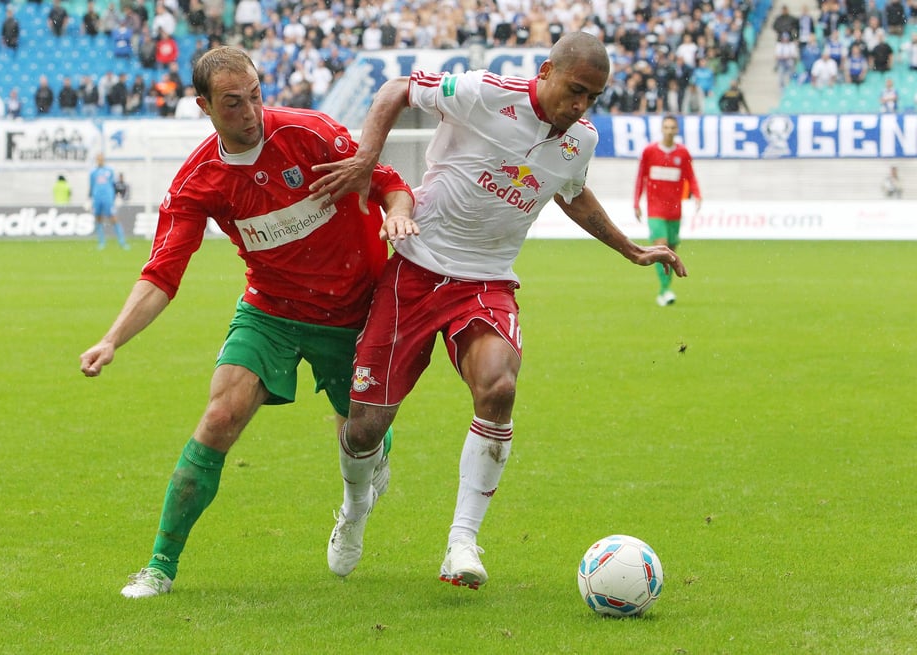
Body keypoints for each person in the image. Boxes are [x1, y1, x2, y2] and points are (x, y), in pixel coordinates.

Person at [307, 32, 686, 590]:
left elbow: (572, 193)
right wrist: (366, 161)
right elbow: (394, 89)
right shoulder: (485, 92)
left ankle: (462, 541)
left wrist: (631, 248)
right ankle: (355, 508)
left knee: (499, 388)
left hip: (485, 283)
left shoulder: (579, 139)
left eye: (593, 98)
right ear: (546, 71)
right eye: (575, 90)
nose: (581, 106)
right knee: (363, 429)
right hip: (415, 267)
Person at [78, 46, 415, 599]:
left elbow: (387, 181)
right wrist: (112, 339)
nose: (251, 112)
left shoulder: (311, 134)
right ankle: (160, 567)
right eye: (233, 103)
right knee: (218, 416)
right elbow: (163, 272)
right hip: (272, 311)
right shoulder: (199, 181)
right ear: (204, 106)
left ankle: (356, 503)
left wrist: (398, 213)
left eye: (256, 95)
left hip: (357, 310)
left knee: (359, 433)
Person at [634, 115, 701, 306]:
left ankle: (665, 290)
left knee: (671, 252)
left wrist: (697, 194)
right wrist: (636, 203)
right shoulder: (649, 152)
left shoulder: (683, 153)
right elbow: (641, 178)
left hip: (675, 211)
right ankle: (665, 290)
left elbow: (690, 176)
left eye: (673, 127)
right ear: (662, 129)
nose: (669, 130)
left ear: (677, 130)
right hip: (655, 210)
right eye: (666, 127)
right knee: (661, 247)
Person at [88, 153, 129, 249]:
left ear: (104, 159)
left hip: (108, 198)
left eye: (101, 158)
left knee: (113, 218)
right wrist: (89, 198)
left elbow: (114, 185)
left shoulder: (109, 170)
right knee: (98, 218)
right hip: (97, 198)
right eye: (98, 159)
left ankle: (122, 242)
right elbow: (91, 185)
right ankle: (101, 242)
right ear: (96, 160)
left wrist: (117, 196)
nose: (100, 160)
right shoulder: (93, 172)